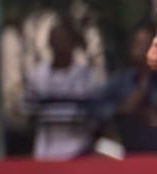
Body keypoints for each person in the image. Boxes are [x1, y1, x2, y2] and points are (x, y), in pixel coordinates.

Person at [22, 20, 102, 161]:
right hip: (44, 151)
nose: (61, 44)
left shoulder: (87, 77)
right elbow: (29, 114)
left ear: (73, 43)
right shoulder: (37, 77)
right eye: (57, 39)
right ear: (50, 43)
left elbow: (96, 118)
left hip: (80, 150)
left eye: (65, 39)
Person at [109, 21, 157, 151]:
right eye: (136, 42)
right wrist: (124, 112)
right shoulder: (119, 81)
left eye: (143, 43)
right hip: (126, 151)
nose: (138, 48)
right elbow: (98, 110)